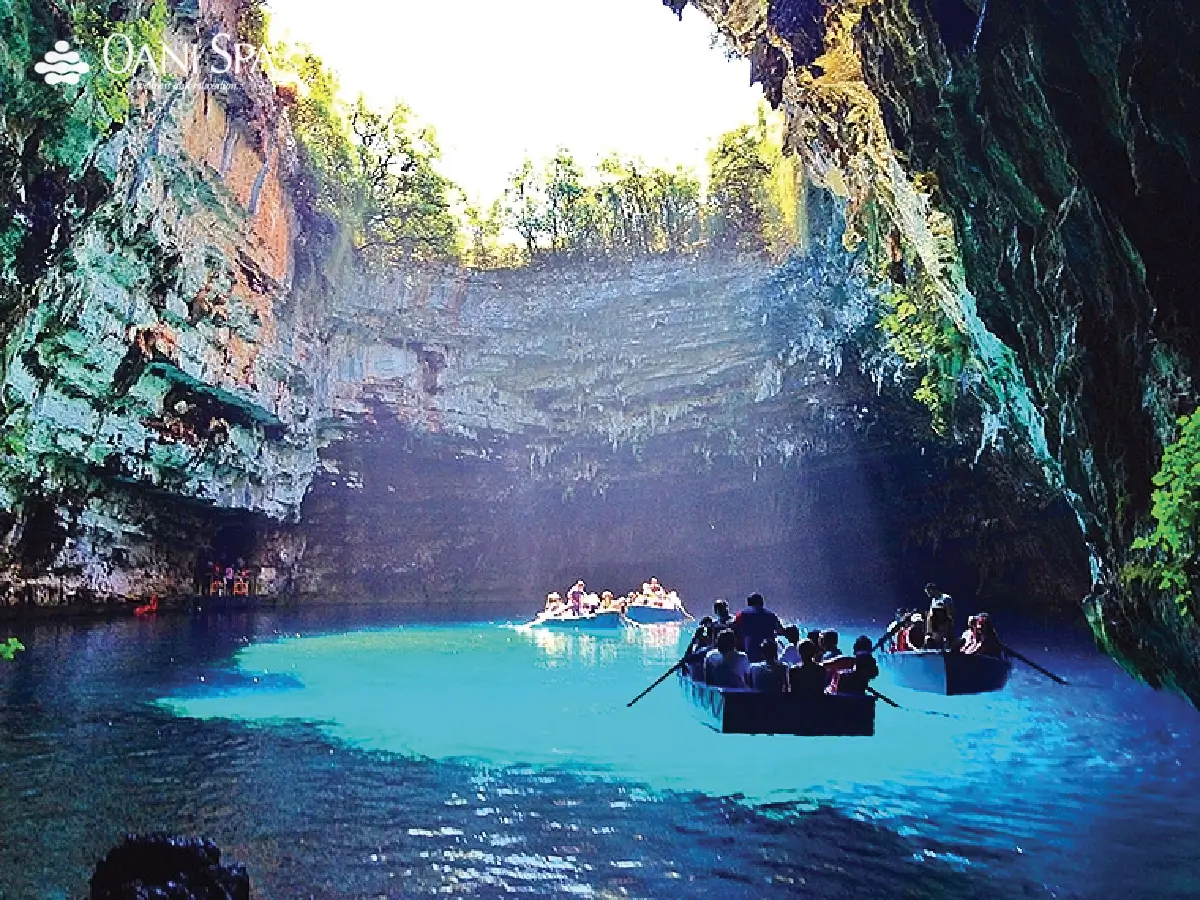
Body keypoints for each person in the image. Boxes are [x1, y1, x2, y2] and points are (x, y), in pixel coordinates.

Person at [733, 593, 784, 663]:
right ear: (762, 602)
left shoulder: (741, 615)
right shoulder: (772, 615)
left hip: (749, 651)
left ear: (748, 603)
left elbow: (734, 629)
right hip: (769, 653)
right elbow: (780, 631)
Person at [923, 583, 955, 649]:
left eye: (928, 593)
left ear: (932, 590)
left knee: (947, 639)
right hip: (936, 624)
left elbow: (950, 611)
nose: (928, 595)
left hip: (945, 621)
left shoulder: (946, 598)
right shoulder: (933, 600)